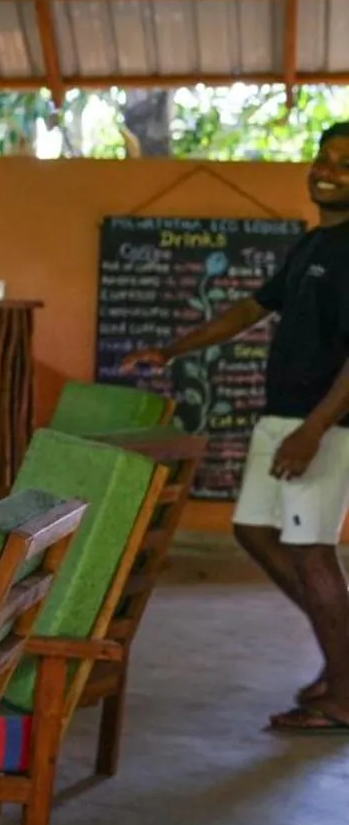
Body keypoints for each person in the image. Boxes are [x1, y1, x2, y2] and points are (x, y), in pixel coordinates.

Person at [122, 122, 349, 732]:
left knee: (310, 547)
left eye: (344, 163)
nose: (326, 169)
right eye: (323, 157)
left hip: (323, 426)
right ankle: (343, 656)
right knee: (252, 528)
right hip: (283, 418)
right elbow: (251, 309)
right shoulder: (311, 244)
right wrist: (173, 350)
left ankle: (344, 693)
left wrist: (315, 429)